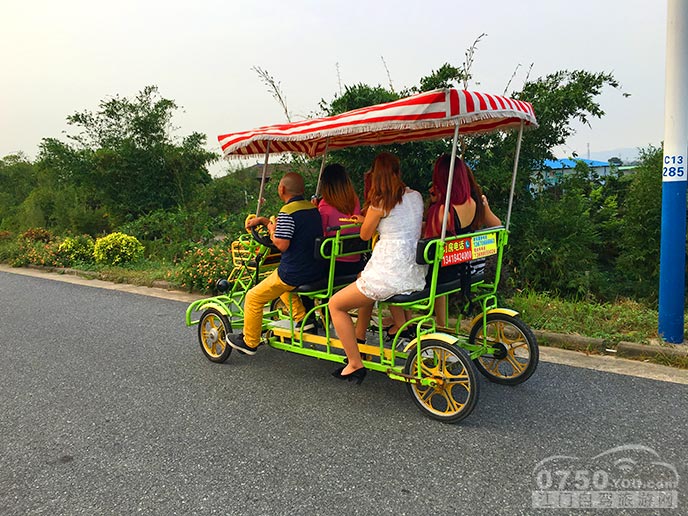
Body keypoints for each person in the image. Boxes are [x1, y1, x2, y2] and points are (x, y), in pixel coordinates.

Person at [328, 152, 427, 383]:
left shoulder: (380, 203)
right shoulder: (416, 197)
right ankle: (359, 337)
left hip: (389, 273)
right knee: (362, 278)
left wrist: (367, 219)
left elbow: (365, 235)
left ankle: (354, 363)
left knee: (335, 304)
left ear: (375, 176)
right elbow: (399, 223)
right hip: (412, 271)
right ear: (398, 172)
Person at [226, 172, 325, 355]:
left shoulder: (287, 212)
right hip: (315, 269)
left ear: (282, 189)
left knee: (253, 297)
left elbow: (281, 244)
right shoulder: (312, 209)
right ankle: (303, 319)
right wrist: (265, 221)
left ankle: (250, 342)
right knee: (279, 286)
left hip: (294, 273)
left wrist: (271, 228)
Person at [424, 154, 501, 327]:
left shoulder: (442, 211)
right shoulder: (475, 202)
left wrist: (433, 205)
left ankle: (422, 324)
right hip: (468, 267)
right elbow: (497, 225)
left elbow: (427, 242)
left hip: (445, 274)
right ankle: (440, 325)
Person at [316, 163, 364, 276]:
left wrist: (315, 211)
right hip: (356, 259)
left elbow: (320, 233)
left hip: (333, 263)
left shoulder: (324, 205)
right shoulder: (355, 200)